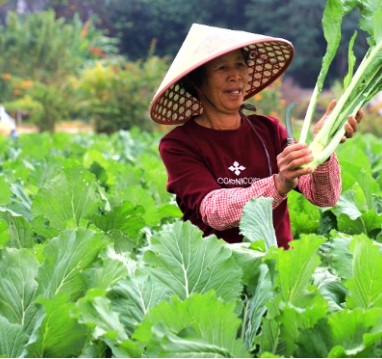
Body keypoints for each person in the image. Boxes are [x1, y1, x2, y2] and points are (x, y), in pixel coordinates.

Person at [150, 24, 362, 249]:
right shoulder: (178, 144)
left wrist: (325, 146)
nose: (235, 76)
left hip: (275, 263)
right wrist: (279, 183)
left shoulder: (269, 130)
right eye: (222, 68)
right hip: (212, 269)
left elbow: (324, 197)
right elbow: (214, 211)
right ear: (196, 82)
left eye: (240, 64)